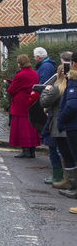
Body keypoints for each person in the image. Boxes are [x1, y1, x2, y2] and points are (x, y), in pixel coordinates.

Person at [40, 53, 72, 187]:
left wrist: (45, 91)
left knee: (59, 153)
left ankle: (61, 178)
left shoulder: (57, 88)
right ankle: (67, 179)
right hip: (68, 126)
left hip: (58, 125)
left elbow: (44, 103)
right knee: (66, 153)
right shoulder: (70, 87)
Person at [7, 54, 40, 158]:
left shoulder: (20, 75)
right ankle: (32, 150)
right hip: (31, 101)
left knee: (23, 127)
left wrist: (10, 84)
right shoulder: (34, 73)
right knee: (31, 125)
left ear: (20, 63)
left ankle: (25, 150)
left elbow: (11, 90)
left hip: (20, 104)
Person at [56, 52, 77, 200]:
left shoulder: (74, 82)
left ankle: (75, 189)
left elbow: (72, 105)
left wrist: (61, 120)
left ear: (74, 64)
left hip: (73, 126)